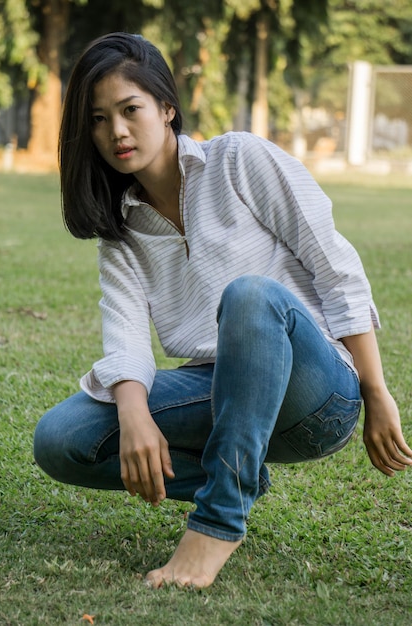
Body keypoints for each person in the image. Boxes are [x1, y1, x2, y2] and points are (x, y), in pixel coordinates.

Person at [33, 32, 412, 589]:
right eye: (97, 119)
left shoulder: (239, 159)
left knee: (251, 295)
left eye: (130, 109)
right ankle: (239, 474)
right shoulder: (122, 230)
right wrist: (133, 415)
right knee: (62, 437)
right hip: (221, 393)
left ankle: (218, 521)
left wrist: (377, 392)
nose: (115, 131)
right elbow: (127, 339)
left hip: (316, 391)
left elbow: (335, 264)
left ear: (167, 108)